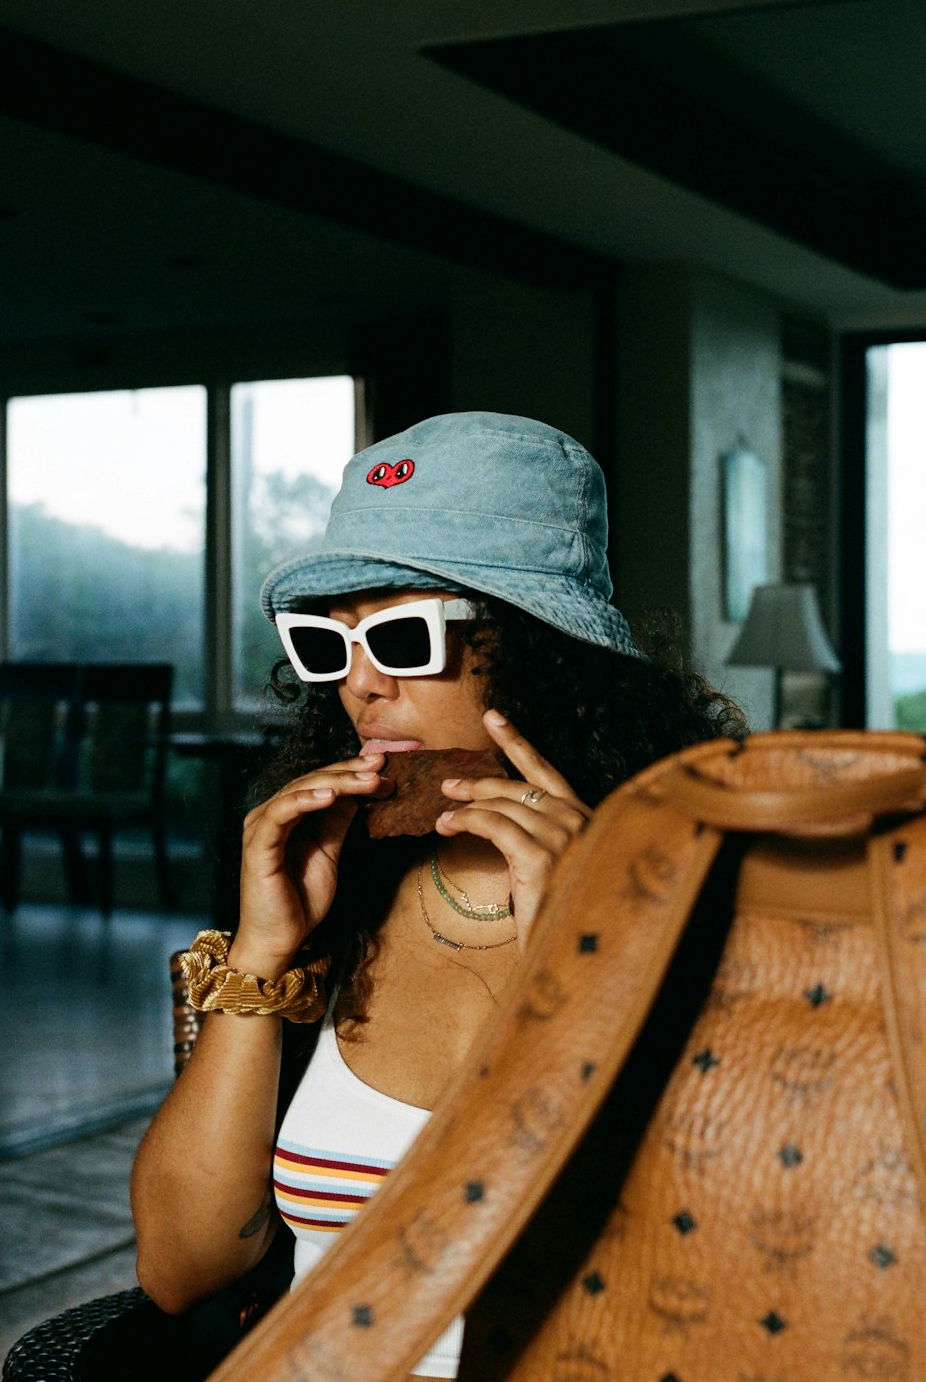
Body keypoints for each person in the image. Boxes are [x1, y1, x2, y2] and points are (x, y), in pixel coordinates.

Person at [131, 410, 744, 1379]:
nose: (362, 689)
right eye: (328, 647)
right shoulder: (333, 902)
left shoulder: (714, 890)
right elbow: (183, 1269)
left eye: (406, 636)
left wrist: (590, 961)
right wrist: (260, 959)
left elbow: (728, 1259)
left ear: (545, 652)